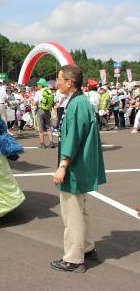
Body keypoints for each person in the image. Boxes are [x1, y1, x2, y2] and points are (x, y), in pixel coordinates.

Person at [51, 65, 106, 273]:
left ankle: (73, 259)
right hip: (81, 165)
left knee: (72, 215)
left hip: (74, 167)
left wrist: (62, 166)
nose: (57, 82)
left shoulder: (76, 104)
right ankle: (87, 247)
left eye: (59, 79)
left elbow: (72, 138)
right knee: (81, 212)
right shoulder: (80, 101)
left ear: (69, 82)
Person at [33, 78, 55, 148]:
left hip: (40, 110)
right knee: (49, 127)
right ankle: (51, 142)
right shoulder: (49, 91)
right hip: (48, 110)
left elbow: (34, 103)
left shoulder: (38, 92)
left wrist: (31, 100)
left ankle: (42, 143)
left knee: (41, 128)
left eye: (38, 84)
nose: (37, 85)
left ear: (41, 85)